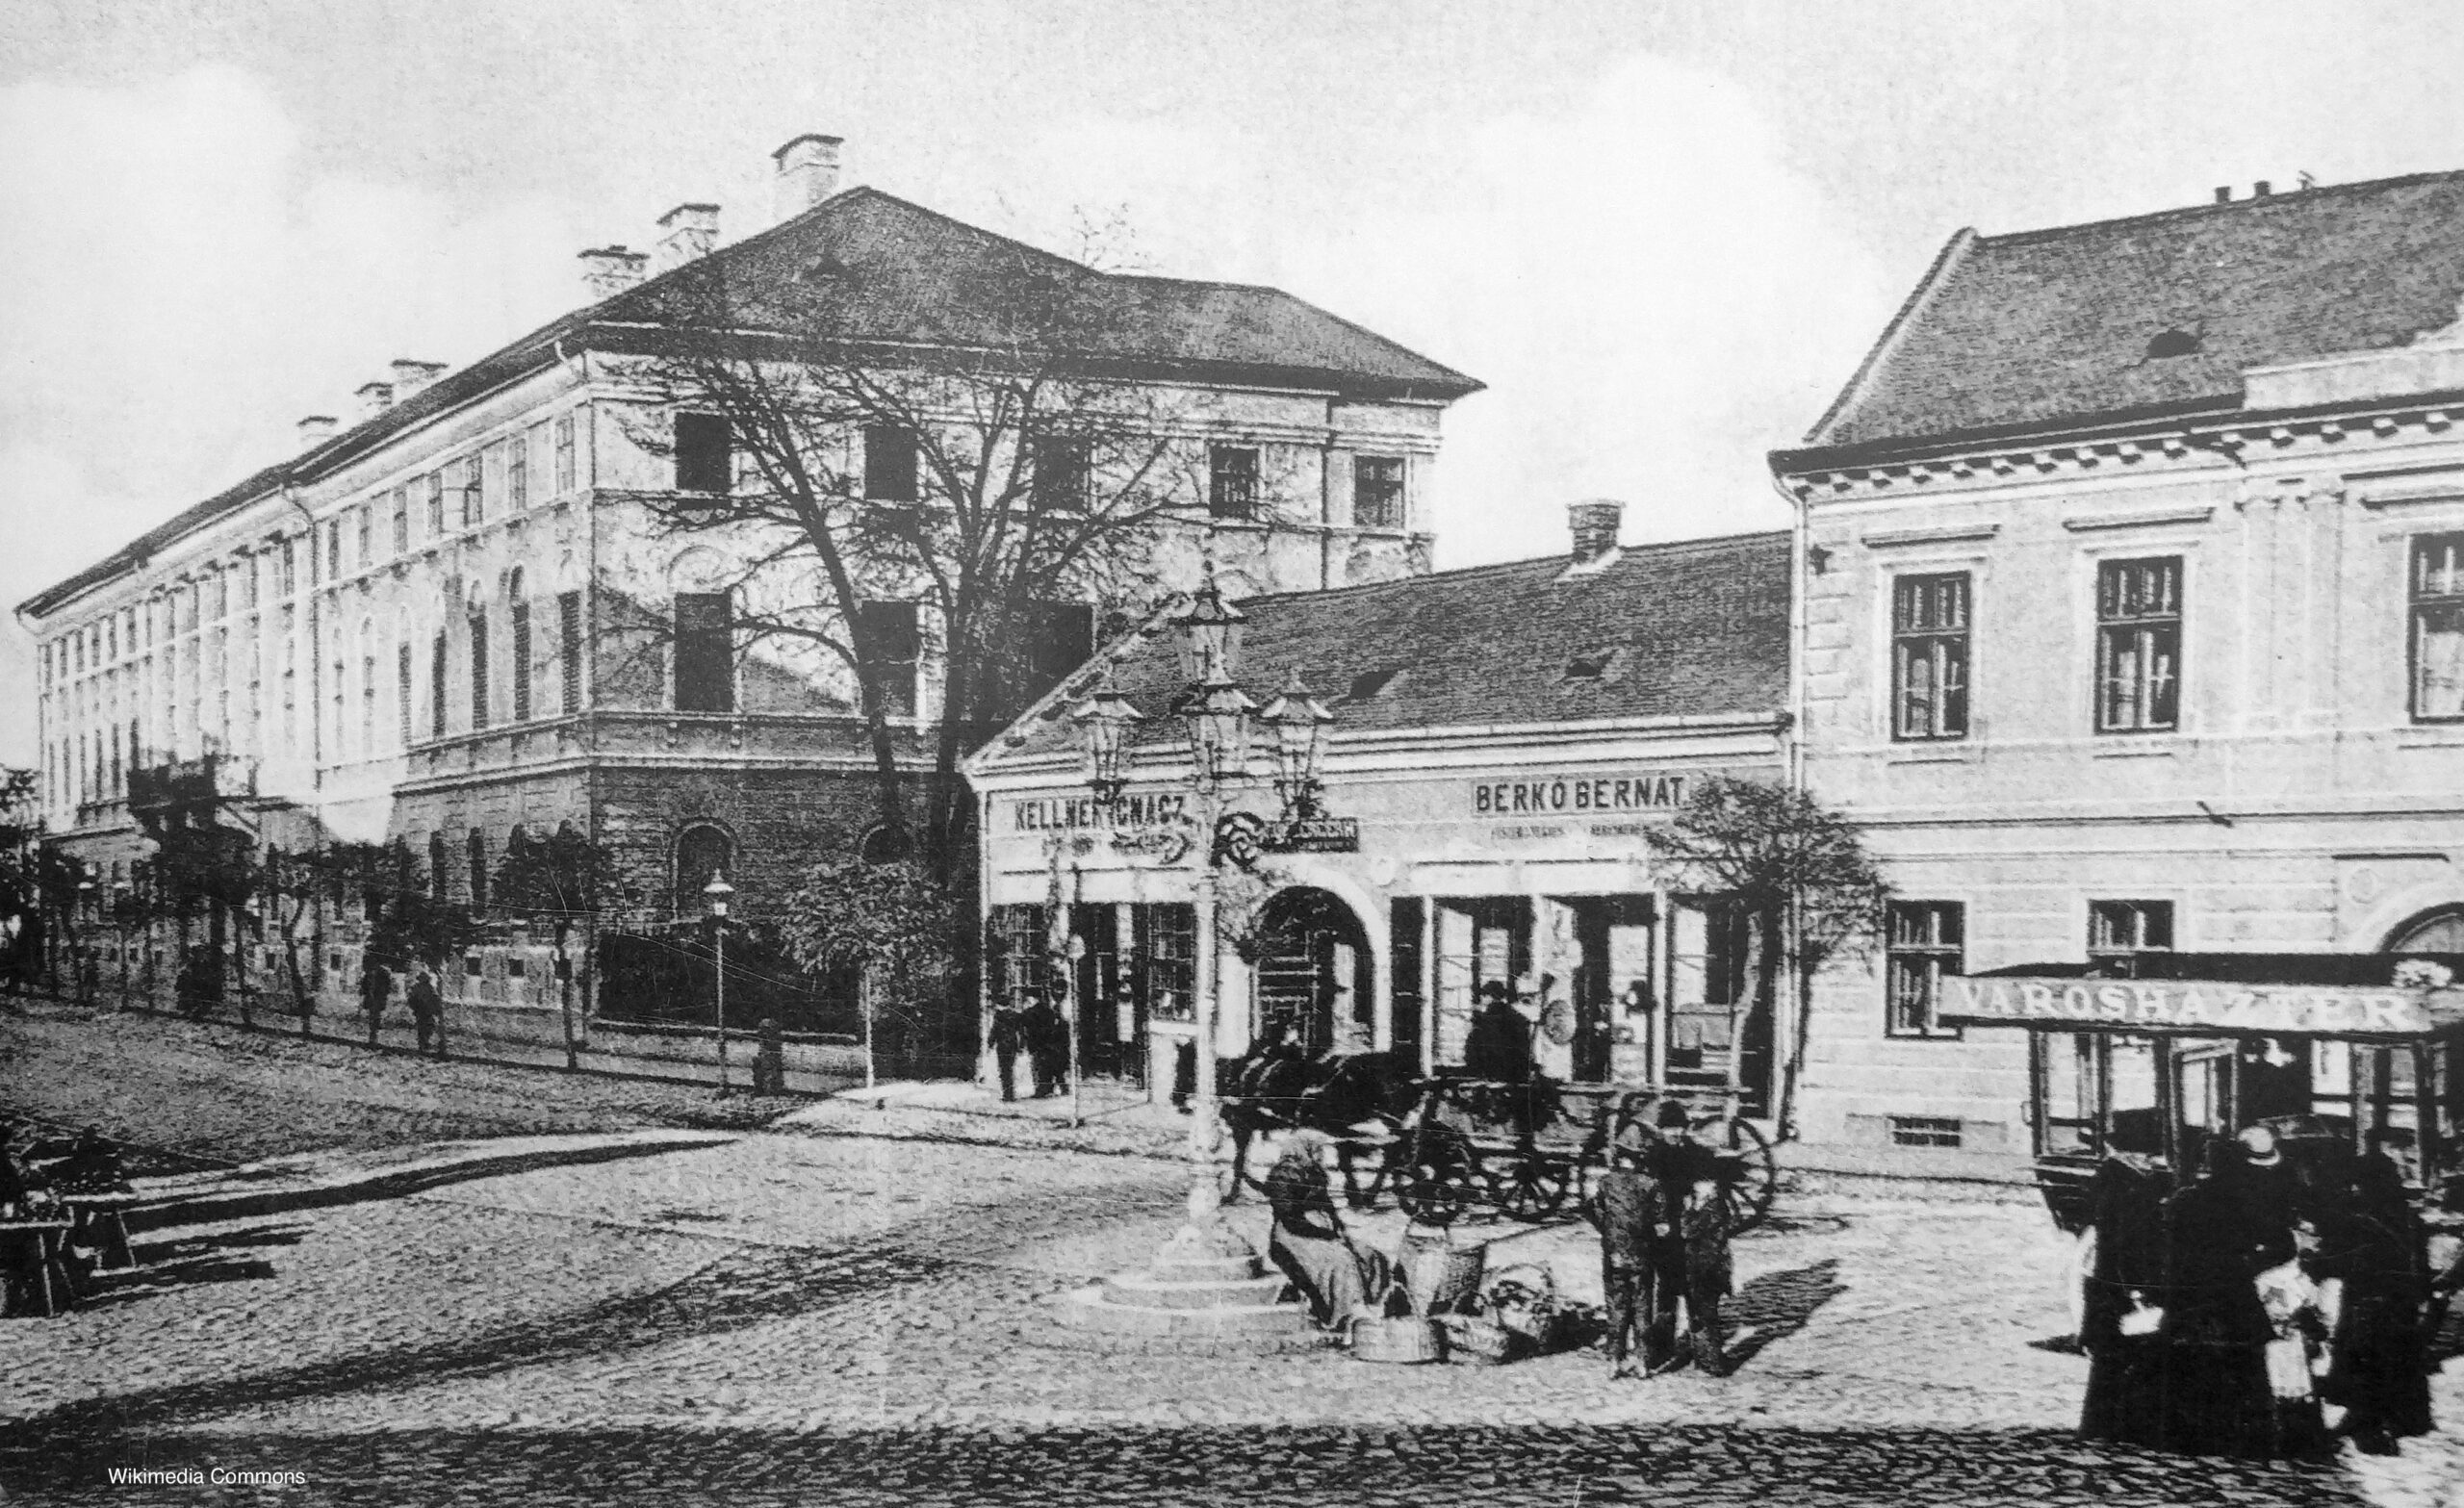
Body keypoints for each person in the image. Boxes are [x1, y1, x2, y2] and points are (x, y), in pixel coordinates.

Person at [2160, 1136, 2298, 1457]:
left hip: (2189, 1297)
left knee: (2189, 1364)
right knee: (2241, 1365)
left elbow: (2165, 1252)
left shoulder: (2183, 1199)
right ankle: (2243, 1438)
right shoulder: (2248, 1201)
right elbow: (2283, 1246)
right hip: (2233, 1295)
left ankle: (2186, 1437)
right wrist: (2249, 1264)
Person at [2314, 1141, 2433, 1453]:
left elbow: (2347, 1258)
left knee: (2364, 1362)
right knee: (2391, 1363)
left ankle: (2367, 1427)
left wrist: (2314, 1263)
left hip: (2371, 1298)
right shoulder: (2406, 1213)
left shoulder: (2364, 1217)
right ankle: (2378, 1424)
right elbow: (2419, 1261)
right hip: (2401, 1300)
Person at [2076, 1156, 2176, 1447]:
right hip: (2120, 1293)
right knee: (2130, 1357)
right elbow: (2129, 1254)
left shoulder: (2108, 1197)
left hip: (2103, 1291)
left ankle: (2098, 1426)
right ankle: (2125, 1426)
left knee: (2107, 1363)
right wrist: (2137, 1292)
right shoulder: (2133, 1202)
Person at [1262, 1130, 1384, 1331]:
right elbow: (1290, 1218)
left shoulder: (1314, 1171)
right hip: (1293, 1237)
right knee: (1341, 1259)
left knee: (1369, 1254)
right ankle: (1346, 1315)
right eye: (1317, 1148)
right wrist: (1327, 1235)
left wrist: (1339, 1228)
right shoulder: (1282, 1174)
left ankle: (1371, 1306)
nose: (1320, 1153)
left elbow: (1327, 1205)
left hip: (1322, 1230)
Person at [1657, 1102, 1737, 1375]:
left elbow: (1715, 1199)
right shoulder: (1653, 1157)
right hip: (1667, 1241)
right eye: (1669, 1128)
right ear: (1660, 1130)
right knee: (1666, 1298)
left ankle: (1708, 1358)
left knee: (1701, 1303)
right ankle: (1660, 1352)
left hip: (1695, 1238)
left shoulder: (1697, 1155)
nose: (1675, 1133)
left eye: (1679, 1128)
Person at [1590, 1121, 1672, 1378]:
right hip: (1642, 1255)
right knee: (1642, 1307)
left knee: (1616, 1306)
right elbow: (1663, 1227)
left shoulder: (1606, 1183)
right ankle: (1643, 1362)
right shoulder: (1651, 1185)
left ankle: (1614, 1361)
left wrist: (1608, 1230)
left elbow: (1593, 1211)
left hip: (1614, 1254)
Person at [1463, 981, 1533, 1084]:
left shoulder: (1483, 1021)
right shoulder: (1518, 1018)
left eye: (1484, 995)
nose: (1482, 999)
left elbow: (1472, 1052)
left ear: (1489, 996)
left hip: (1490, 1074)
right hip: (1516, 1076)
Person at [1022, 992, 1065, 1098]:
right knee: (1048, 1066)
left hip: (1036, 1043)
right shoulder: (1049, 1011)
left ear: (1034, 999)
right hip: (1049, 1043)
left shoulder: (1030, 1012)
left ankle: (1041, 1090)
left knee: (1038, 1067)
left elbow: (1025, 1025)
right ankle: (1049, 1088)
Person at [988, 999, 1028, 1102]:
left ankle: (1007, 1094)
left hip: (1002, 1045)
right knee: (1009, 1069)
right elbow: (1022, 1032)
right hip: (1013, 1045)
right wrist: (1021, 1046)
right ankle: (1010, 1093)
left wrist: (990, 1044)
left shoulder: (999, 1016)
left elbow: (994, 1030)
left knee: (1004, 1070)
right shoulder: (1016, 1015)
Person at [406, 964, 443, 1058]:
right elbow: (411, 999)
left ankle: (423, 1043)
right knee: (425, 1027)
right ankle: (423, 1043)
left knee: (426, 1027)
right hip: (423, 1011)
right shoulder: (420, 988)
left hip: (425, 1011)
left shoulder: (428, 988)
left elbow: (435, 998)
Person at [359, 955, 394, 1048]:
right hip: (371, 998)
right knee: (372, 1017)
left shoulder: (383, 973)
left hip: (378, 998)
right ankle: (372, 1036)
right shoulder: (369, 973)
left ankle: (374, 1036)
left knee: (376, 1017)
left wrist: (383, 995)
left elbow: (388, 986)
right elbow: (364, 985)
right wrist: (364, 992)